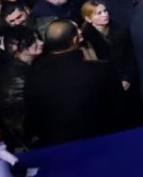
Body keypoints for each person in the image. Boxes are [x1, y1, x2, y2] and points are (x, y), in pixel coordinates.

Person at [24, 19, 124, 147]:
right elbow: (120, 110)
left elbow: (31, 115)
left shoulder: (33, 73)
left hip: (54, 146)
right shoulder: (101, 71)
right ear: (75, 40)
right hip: (100, 142)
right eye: (78, 31)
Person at [0, 26, 44, 150]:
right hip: (31, 137)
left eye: (38, 39)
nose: (41, 43)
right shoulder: (20, 75)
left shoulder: (18, 69)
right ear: (16, 48)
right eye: (33, 41)